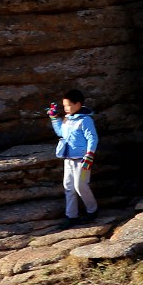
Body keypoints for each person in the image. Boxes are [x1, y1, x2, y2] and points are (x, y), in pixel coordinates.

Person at [46, 89, 98, 222]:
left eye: (68, 105)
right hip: (68, 159)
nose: (66, 108)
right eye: (64, 106)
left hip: (82, 159)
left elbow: (92, 138)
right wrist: (54, 118)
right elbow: (61, 133)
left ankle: (92, 210)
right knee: (68, 187)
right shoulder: (67, 119)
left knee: (80, 186)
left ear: (78, 104)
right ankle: (71, 216)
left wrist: (89, 155)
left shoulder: (85, 120)